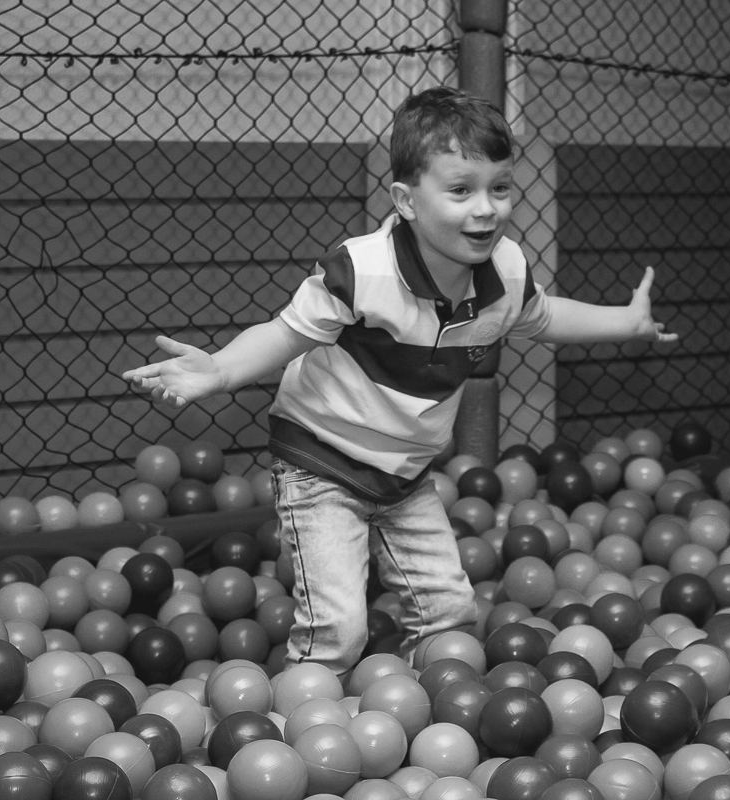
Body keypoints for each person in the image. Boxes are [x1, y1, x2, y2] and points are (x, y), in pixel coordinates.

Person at [123, 86, 677, 678]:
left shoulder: (507, 269)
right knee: (339, 627)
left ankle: (420, 717)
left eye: (501, 187)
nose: (486, 208)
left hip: (406, 474)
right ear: (406, 201)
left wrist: (626, 321)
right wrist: (222, 369)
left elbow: (541, 318)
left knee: (452, 613)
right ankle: (298, 728)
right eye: (461, 190)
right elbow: (285, 335)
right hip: (323, 459)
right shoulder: (362, 270)